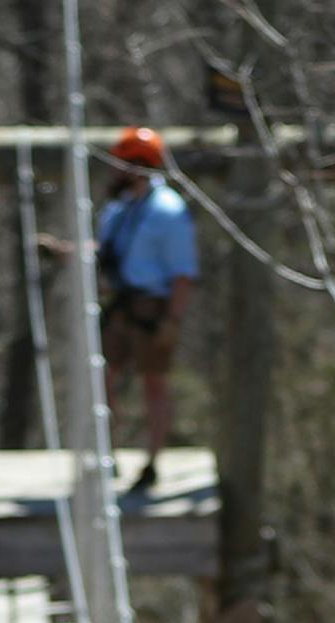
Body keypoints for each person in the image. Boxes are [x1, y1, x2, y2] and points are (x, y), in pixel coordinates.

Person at [96, 126, 199, 497]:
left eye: (118, 164)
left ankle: (152, 462)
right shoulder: (118, 210)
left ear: (136, 166)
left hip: (152, 308)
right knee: (104, 376)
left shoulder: (168, 212)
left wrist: (172, 320)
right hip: (120, 305)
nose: (113, 172)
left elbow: (183, 273)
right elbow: (106, 252)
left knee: (153, 382)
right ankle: (107, 453)